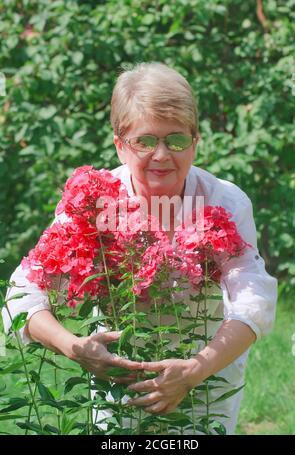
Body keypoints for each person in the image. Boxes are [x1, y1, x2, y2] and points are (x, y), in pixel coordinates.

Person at [1, 62, 277, 435]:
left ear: (195, 142)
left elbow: (253, 302)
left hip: (207, 378)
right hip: (118, 379)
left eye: (176, 140)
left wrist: (194, 371)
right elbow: (22, 292)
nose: (161, 155)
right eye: (145, 141)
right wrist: (74, 346)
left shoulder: (225, 201)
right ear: (119, 144)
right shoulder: (93, 201)